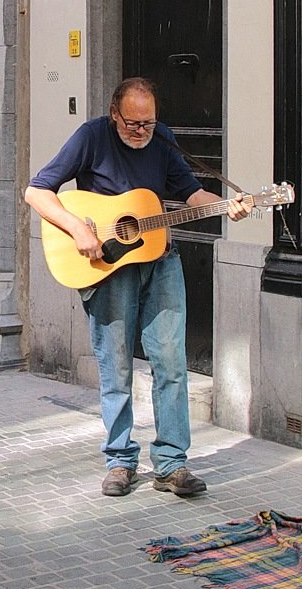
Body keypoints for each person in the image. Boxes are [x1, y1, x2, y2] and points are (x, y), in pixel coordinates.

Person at [25, 77, 253, 498]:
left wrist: (226, 207)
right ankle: (119, 460)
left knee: (171, 362)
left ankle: (171, 464)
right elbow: (36, 190)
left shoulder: (162, 139)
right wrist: (77, 228)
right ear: (115, 115)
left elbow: (190, 193)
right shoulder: (91, 137)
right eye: (132, 123)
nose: (141, 132)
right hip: (109, 267)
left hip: (161, 261)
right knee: (116, 367)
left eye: (148, 123)